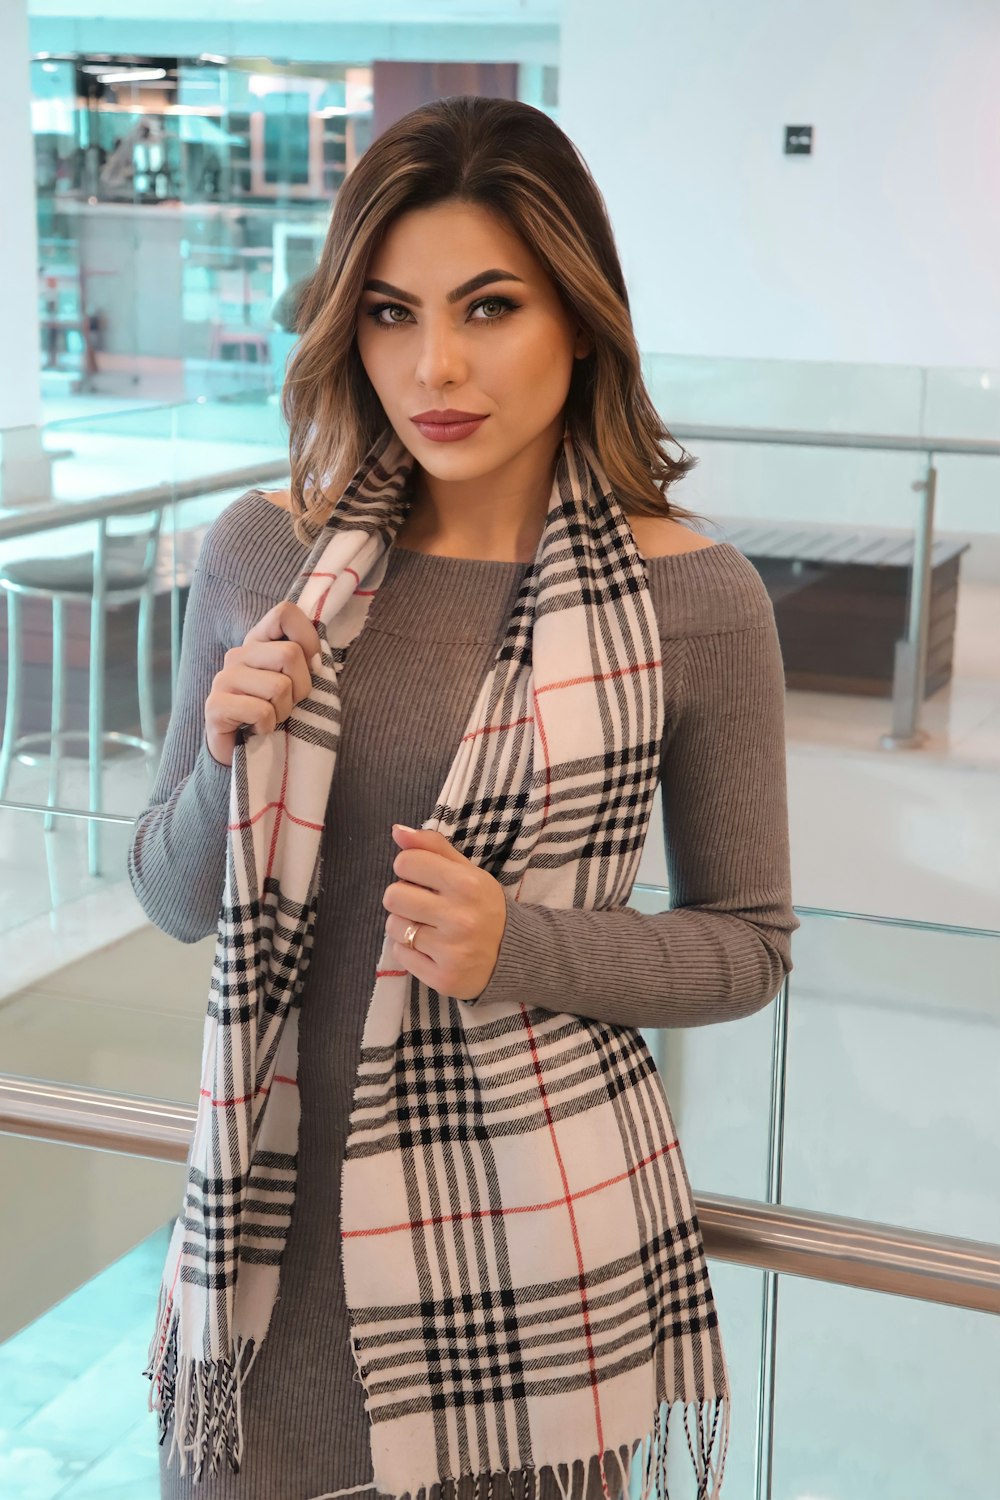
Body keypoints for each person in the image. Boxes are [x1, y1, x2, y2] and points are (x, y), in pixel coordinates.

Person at [129, 95, 798, 1500]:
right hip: (264, 1282)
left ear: (580, 316)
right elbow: (172, 894)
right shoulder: (261, 553)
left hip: (525, 1291)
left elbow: (749, 945)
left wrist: (522, 945)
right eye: (387, 313)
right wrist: (224, 756)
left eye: (488, 307)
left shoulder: (698, 600)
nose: (433, 364)